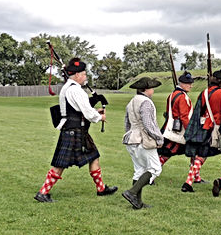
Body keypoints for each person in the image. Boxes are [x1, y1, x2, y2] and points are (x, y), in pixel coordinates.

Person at [34, 57, 117, 203]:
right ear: (77, 75)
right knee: (60, 164)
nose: (85, 77)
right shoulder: (76, 90)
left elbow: (79, 109)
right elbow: (88, 113)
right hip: (74, 131)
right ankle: (43, 192)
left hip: (76, 129)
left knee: (94, 156)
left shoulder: (67, 88)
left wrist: (95, 111)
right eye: (84, 74)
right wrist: (100, 117)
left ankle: (101, 188)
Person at [181, 69, 221, 192]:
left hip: (204, 127)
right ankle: (188, 182)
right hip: (215, 129)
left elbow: (199, 111)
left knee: (202, 155)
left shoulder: (204, 92)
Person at [122, 77, 165, 209]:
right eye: (152, 88)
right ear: (146, 89)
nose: (153, 90)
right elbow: (148, 124)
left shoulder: (131, 102)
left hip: (131, 139)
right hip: (143, 140)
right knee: (155, 169)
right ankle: (132, 192)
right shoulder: (146, 102)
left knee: (139, 170)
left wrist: (130, 135)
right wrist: (159, 138)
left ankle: (137, 203)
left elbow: (127, 123)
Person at [158, 71, 203, 182]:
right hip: (180, 130)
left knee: (194, 152)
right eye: (188, 84)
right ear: (182, 84)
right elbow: (184, 116)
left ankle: (196, 177)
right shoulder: (182, 97)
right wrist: (190, 131)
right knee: (168, 153)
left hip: (173, 127)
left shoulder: (172, 95)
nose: (191, 86)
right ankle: (150, 173)